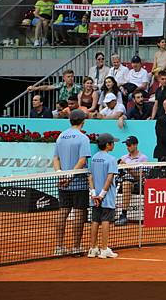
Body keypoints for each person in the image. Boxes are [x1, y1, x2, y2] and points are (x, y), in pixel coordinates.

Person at [53, 109, 91, 256]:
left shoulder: (61, 136)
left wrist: (60, 174)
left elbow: (56, 159)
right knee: (79, 214)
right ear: (83, 121)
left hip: (63, 182)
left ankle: (59, 247)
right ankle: (76, 247)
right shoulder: (83, 138)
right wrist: (69, 176)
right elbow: (82, 160)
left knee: (63, 212)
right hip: (78, 183)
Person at [87, 133, 119, 259]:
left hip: (95, 198)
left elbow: (90, 176)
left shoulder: (94, 158)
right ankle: (104, 249)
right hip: (106, 197)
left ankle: (93, 248)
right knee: (105, 220)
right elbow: (109, 178)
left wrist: (94, 194)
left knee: (95, 220)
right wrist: (102, 195)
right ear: (107, 145)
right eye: (112, 143)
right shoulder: (111, 159)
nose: (114, 144)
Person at [116, 136, 148, 226]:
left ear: (135, 145)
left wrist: (128, 168)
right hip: (120, 181)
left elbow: (141, 177)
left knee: (126, 183)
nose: (127, 147)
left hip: (136, 183)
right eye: (126, 145)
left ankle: (123, 215)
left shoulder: (143, 158)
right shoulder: (123, 157)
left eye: (129, 145)